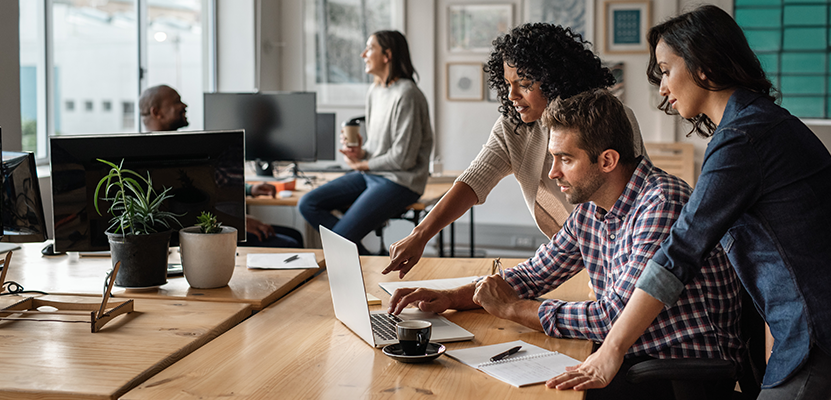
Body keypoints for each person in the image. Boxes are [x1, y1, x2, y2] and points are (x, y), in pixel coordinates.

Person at [548, 6, 831, 399]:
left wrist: (611, 349)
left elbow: (679, 252)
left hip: (816, 333)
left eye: (666, 70)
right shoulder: (757, 125)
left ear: (704, 65)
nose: (662, 87)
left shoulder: (743, 139)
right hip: (801, 331)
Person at [389, 88, 742, 399]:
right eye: (553, 157)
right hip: (632, 354)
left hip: (676, 369)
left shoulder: (661, 204)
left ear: (607, 160)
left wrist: (514, 310)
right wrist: (454, 297)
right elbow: (536, 273)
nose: (553, 172)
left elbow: (611, 317)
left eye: (565, 159)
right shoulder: (594, 204)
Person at [384, 23, 646, 278]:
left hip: (622, 250)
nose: (511, 95)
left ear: (555, 79)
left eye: (524, 83)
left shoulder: (607, 118)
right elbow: (474, 180)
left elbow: (631, 200)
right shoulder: (514, 126)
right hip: (569, 252)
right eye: (508, 84)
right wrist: (420, 235)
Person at [297, 31, 433, 255]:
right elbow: (378, 149)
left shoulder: (408, 94)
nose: (363, 54)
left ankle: (358, 261)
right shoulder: (375, 91)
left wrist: (362, 165)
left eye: (370, 48)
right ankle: (366, 261)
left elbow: (403, 158)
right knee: (308, 203)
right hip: (373, 175)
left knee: (340, 239)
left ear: (387, 55)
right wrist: (361, 153)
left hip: (400, 182)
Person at [139, 85, 303, 248]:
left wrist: (249, 190)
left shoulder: (176, 148)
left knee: (294, 235)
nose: (184, 105)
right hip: (199, 236)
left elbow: (207, 189)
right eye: (177, 102)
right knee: (291, 243)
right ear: (156, 112)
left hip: (215, 224)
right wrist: (239, 223)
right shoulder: (154, 158)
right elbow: (188, 211)